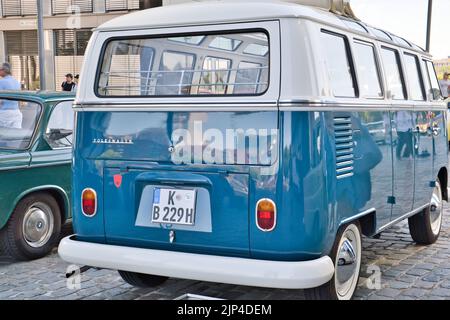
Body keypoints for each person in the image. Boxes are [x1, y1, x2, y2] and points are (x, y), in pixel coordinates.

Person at [0, 62, 22, 128]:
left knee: (4, 136)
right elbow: (19, 99)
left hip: (5, 113)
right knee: (16, 136)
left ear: (4, 70)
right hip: (16, 113)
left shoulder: (1, 82)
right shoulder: (17, 82)